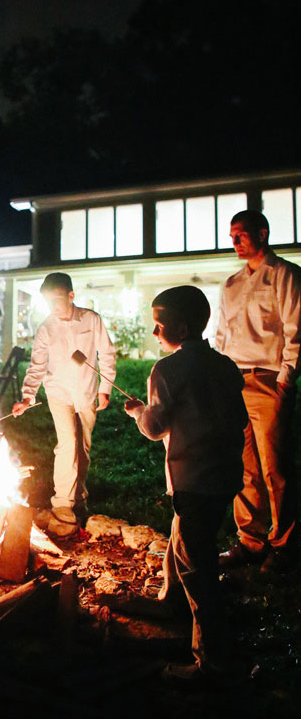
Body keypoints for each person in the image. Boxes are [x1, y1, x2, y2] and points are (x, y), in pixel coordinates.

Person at [125, 286, 247, 682]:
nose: (155, 333)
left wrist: (139, 412)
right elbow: (242, 420)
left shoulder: (167, 370)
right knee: (184, 539)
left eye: (159, 325)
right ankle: (170, 600)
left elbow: (157, 428)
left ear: (180, 326)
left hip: (191, 478)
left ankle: (211, 662)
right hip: (223, 475)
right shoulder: (226, 366)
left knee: (198, 565)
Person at [216, 209, 301, 574]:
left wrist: (286, 378)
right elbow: (222, 334)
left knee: (274, 466)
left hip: (268, 379)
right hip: (235, 379)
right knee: (243, 464)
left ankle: (285, 543)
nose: (234, 241)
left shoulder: (285, 275)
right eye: (232, 235)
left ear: (262, 233)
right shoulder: (231, 284)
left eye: (242, 235)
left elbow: (295, 327)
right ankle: (250, 540)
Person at [12, 271, 116, 531]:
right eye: (48, 302)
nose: (53, 307)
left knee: (83, 448)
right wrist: (27, 396)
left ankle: (78, 499)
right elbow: (37, 366)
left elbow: (107, 353)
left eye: (57, 300)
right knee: (67, 443)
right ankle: (62, 503)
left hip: (87, 392)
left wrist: (105, 388)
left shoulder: (91, 320)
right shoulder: (46, 328)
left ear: (71, 295)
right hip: (58, 392)